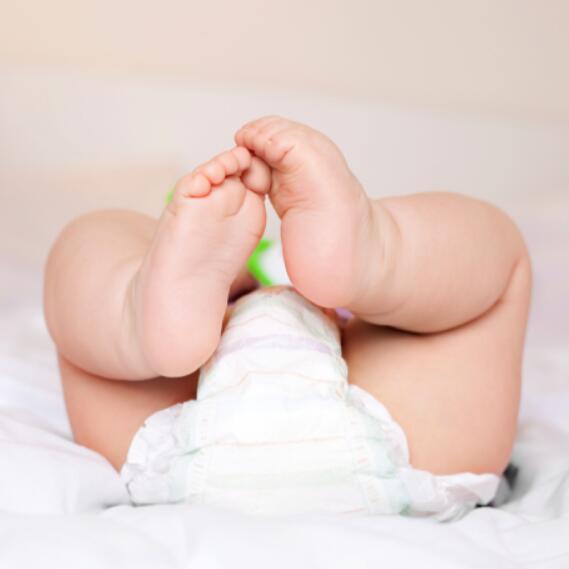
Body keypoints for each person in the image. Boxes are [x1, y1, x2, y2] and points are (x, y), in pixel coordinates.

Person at [43, 117, 531, 519]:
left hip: (173, 442)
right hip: (400, 441)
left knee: (90, 245)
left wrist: (227, 284)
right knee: (495, 260)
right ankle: (381, 252)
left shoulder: (213, 292)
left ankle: (133, 313)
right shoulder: (313, 283)